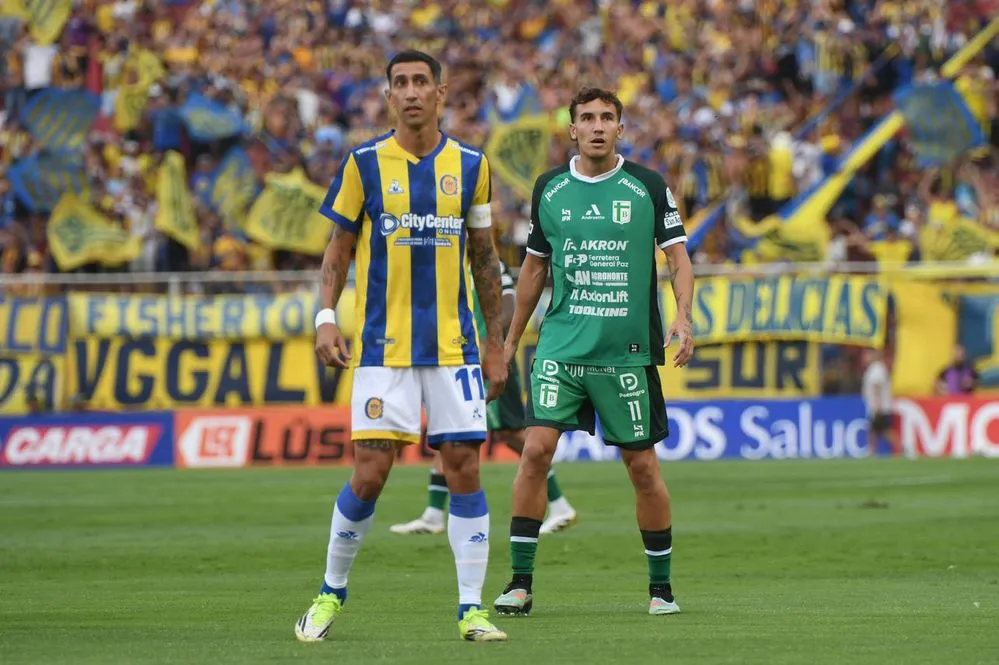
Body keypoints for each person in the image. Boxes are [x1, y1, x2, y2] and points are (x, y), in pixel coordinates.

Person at [296, 50, 510, 643]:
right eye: (400, 83)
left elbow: (486, 258)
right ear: (388, 95)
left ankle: (472, 609)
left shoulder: (471, 165)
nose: (411, 92)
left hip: (455, 347)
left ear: (441, 92)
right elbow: (337, 250)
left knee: (465, 467)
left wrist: (498, 342)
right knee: (370, 473)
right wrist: (324, 318)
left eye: (421, 82)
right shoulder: (363, 162)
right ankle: (330, 593)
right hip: (382, 350)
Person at [492, 88, 695, 618]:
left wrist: (683, 315)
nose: (598, 125)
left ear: (620, 129)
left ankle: (661, 588)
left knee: (642, 467)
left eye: (608, 117)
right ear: (573, 130)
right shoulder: (550, 189)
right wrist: (512, 339)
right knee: (535, 450)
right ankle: (519, 583)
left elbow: (678, 257)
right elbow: (535, 268)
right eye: (588, 118)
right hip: (561, 346)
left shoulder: (648, 186)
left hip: (625, 353)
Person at [390, 259, 578, 537]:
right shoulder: (445, 256)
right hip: (459, 362)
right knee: (449, 433)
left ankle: (560, 504)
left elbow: (509, 302)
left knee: (512, 434)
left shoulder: (487, 260)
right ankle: (432, 515)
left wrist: (492, 344)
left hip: (489, 362)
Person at [861, 349, 901, 457]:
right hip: (877, 406)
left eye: (867, 355)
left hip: (880, 407)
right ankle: (871, 450)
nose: (865, 357)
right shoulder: (876, 368)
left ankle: (901, 448)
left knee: (885, 430)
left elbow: (876, 387)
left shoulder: (877, 369)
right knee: (873, 430)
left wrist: (877, 405)